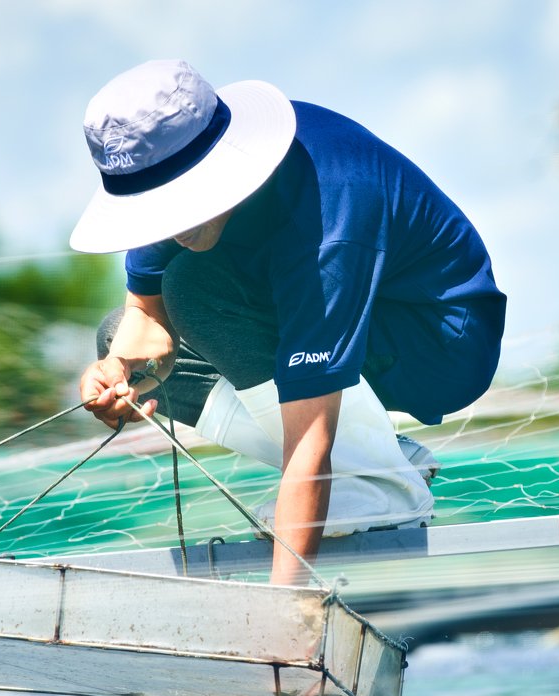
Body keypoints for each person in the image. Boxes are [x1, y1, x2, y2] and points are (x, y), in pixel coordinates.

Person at [72, 60, 506, 585]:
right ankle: (382, 458)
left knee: (193, 287)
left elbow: (308, 441)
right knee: (113, 331)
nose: (169, 227)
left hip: (436, 341)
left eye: (176, 204)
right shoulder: (163, 168)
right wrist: (120, 367)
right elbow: (146, 322)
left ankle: (383, 486)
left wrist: (280, 611)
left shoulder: (329, 211)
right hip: (322, 310)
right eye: (153, 208)